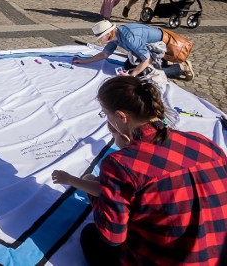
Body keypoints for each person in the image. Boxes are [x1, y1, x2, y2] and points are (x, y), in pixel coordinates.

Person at [62, 76, 227, 265]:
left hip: (164, 259)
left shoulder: (121, 164)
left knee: (90, 236)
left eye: (105, 114)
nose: (106, 119)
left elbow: (112, 237)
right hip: (218, 254)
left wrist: (97, 196)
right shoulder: (204, 143)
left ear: (121, 116)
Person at [73, 21, 194, 83]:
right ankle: (165, 64)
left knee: (143, 74)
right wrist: (84, 61)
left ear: (109, 33)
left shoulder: (129, 38)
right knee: (127, 66)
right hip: (149, 46)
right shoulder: (115, 37)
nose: (99, 40)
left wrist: (132, 76)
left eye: (101, 37)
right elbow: (105, 54)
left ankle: (181, 68)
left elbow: (147, 59)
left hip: (165, 46)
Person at [52, 122, 130, 197]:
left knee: (87, 178)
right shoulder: (138, 153)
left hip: (120, 207)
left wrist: (69, 179)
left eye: (113, 136)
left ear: (125, 138)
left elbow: (100, 190)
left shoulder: (117, 162)